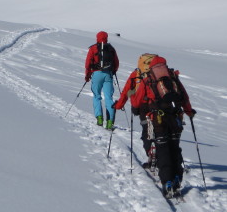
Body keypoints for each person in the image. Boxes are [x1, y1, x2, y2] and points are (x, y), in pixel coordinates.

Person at [117, 54, 196, 197]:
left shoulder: (148, 79)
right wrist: (189, 111)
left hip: (158, 120)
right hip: (175, 119)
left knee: (163, 149)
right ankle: (177, 178)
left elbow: (137, 101)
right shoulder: (173, 77)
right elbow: (184, 97)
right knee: (175, 148)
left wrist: (133, 102)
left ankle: (167, 182)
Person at [114, 67, 154, 163]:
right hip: (162, 107)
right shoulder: (161, 74)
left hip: (143, 108)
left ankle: (151, 154)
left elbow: (126, 91)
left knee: (147, 132)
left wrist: (118, 105)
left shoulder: (137, 74)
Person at [84, 31, 119, 129]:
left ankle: (99, 118)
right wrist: (113, 71)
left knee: (96, 96)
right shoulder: (111, 48)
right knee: (108, 98)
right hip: (108, 74)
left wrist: (87, 75)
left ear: (97, 38)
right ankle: (109, 122)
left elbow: (88, 64)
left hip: (96, 74)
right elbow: (116, 63)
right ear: (106, 38)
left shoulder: (93, 48)